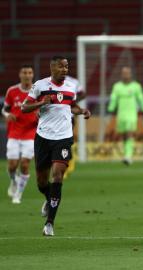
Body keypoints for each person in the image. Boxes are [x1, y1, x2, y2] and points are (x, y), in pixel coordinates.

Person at [21, 56, 91, 236]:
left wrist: (82, 111)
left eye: (67, 67)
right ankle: (48, 198)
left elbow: (71, 106)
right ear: (53, 68)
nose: (66, 70)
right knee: (41, 182)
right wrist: (41, 103)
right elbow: (24, 107)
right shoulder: (40, 85)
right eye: (62, 67)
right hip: (43, 137)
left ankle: (50, 223)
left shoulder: (70, 87)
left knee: (58, 175)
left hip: (64, 137)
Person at [2, 65, 37, 204]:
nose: (27, 75)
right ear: (20, 74)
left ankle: (18, 195)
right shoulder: (12, 91)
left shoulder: (38, 91)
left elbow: (43, 108)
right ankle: (13, 181)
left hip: (31, 132)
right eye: (24, 72)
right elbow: (5, 109)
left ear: (32, 75)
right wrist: (7, 115)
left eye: (29, 72)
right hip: (14, 132)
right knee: (12, 166)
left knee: (24, 164)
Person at [107, 66, 143, 165]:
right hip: (121, 115)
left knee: (129, 133)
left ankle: (128, 156)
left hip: (131, 115)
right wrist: (110, 109)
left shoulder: (136, 86)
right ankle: (126, 154)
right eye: (124, 73)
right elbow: (113, 99)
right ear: (121, 74)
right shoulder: (117, 87)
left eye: (127, 73)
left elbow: (141, 99)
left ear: (130, 74)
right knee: (124, 135)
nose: (125, 75)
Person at [63, 75, 86, 179]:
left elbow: (83, 94)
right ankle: (63, 165)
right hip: (53, 118)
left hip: (69, 116)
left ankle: (68, 165)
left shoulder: (73, 81)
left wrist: (72, 102)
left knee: (65, 142)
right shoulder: (49, 82)